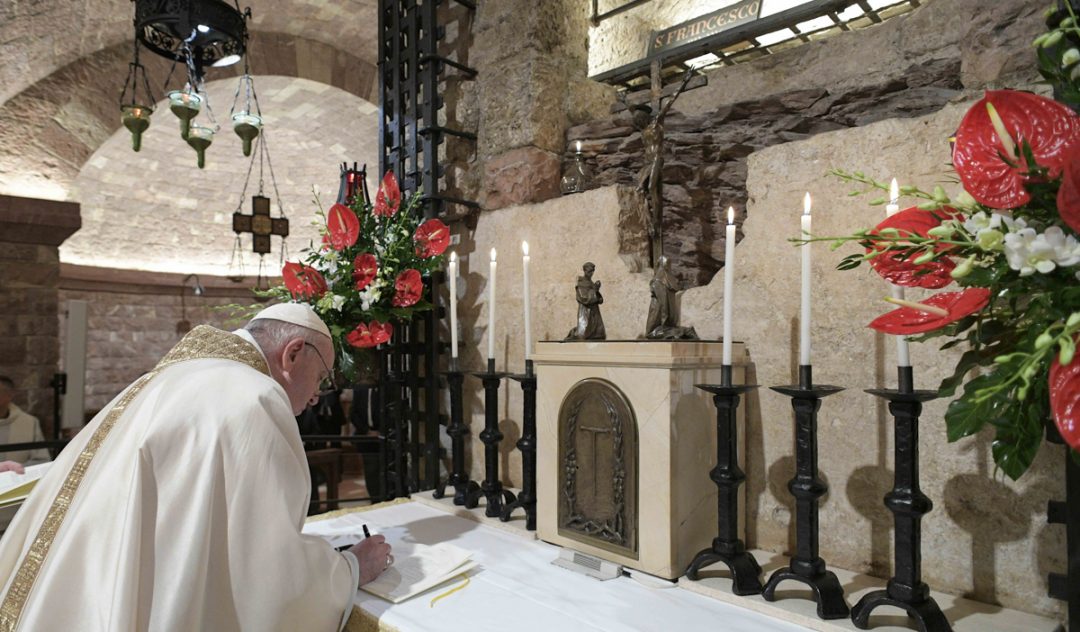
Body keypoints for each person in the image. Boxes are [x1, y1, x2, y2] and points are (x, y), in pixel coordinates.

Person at [0, 304, 392, 631]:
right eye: (320, 378)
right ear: (292, 354)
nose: (315, 397)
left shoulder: (175, 377)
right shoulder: (254, 397)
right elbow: (267, 573)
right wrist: (350, 567)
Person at [0, 377, 50, 475]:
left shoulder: (30, 423)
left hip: (16, 483)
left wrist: (12, 472)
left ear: (9, 395)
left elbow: (41, 460)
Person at [644, 256, 698, 340]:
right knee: (655, 332)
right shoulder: (667, 280)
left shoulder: (657, 281)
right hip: (667, 318)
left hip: (658, 314)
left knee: (650, 333)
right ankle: (684, 331)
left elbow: (663, 303)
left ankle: (684, 331)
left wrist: (664, 321)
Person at [565, 262, 606, 340]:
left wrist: (597, 290)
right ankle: (574, 332)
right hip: (585, 311)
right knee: (582, 334)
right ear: (584, 271)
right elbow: (583, 298)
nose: (591, 273)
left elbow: (599, 299)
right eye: (589, 271)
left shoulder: (592, 283)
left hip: (594, 312)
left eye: (592, 271)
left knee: (599, 334)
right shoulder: (580, 282)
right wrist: (594, 290)